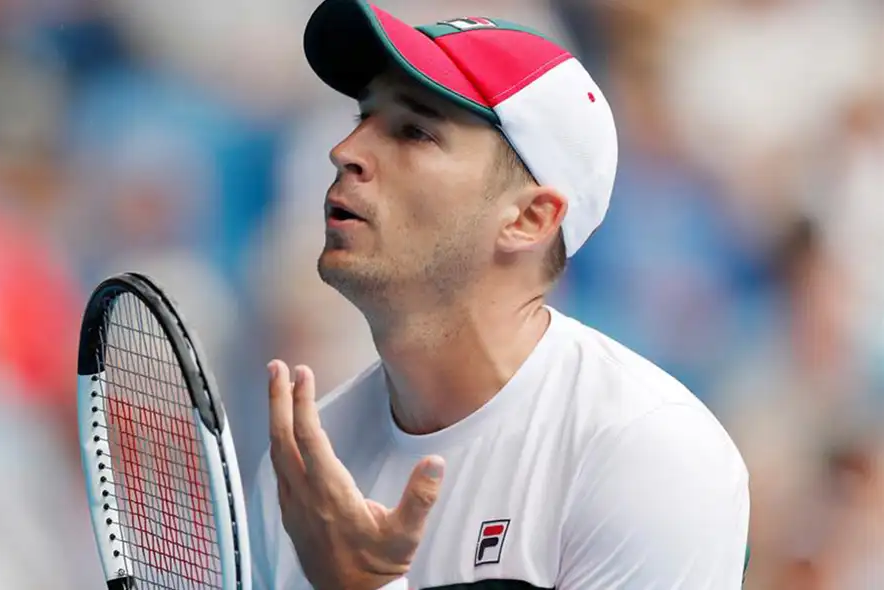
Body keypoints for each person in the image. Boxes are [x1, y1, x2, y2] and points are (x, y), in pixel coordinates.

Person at [249, 1, 751, 588]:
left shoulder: (653, 452)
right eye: (363, 116)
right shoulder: (309, 465)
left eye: (414, 131)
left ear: (531, 219)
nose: (345, 151)